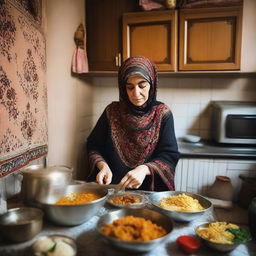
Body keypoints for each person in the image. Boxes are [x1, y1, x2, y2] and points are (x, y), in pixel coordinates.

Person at [86, 56, 180, 191]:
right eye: (130, 87)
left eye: (142, 85)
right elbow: (93, 146)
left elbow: (169, 155)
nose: (136, 93)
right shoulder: (111, 111)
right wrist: (102, 165)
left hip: (149, 192)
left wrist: (145, 169)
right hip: (113, 189)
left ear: (152, 85)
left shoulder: (162, 113)